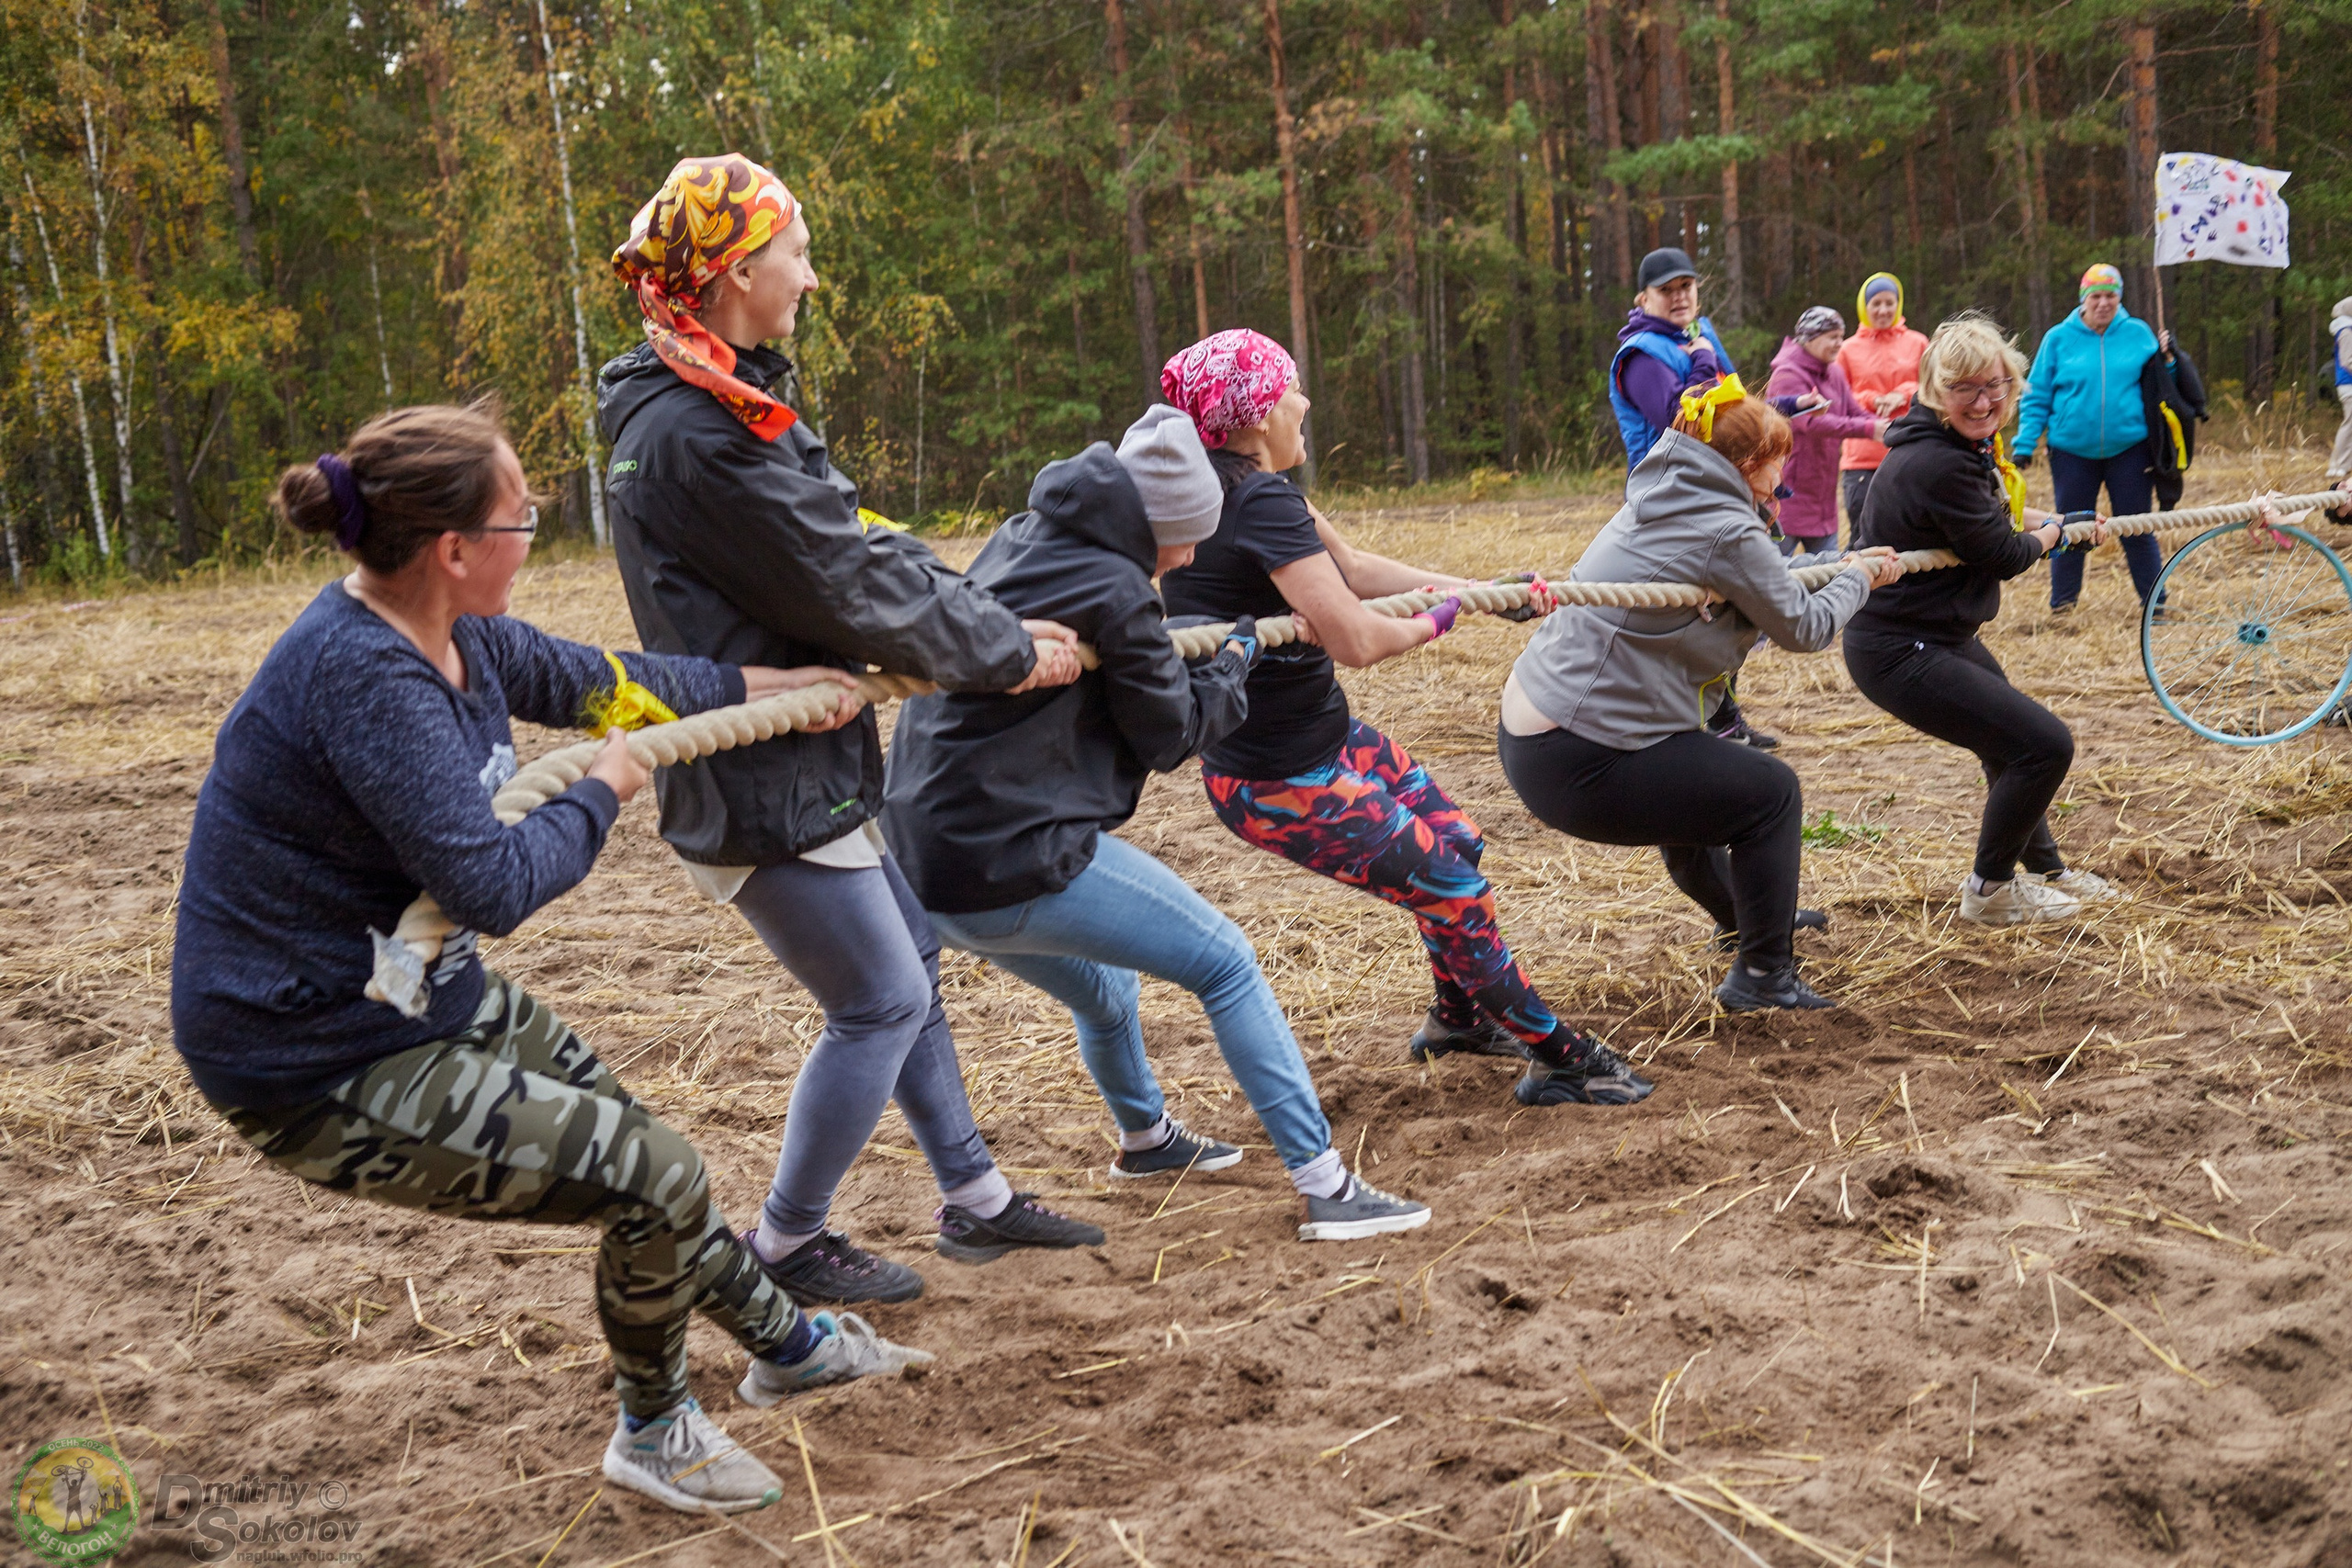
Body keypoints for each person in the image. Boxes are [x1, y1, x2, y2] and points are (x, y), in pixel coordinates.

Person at [171, 404, 933, 1517]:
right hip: (312, 1055)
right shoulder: (367, 680)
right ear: (455, 549)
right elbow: (494, 883)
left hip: (414, 994)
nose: (534, 526)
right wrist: (604, 790)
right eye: (521, 513)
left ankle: (791, 1349)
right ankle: (655, 1430)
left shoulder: (461, 638)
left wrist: (800, 689)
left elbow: (612, 680)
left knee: (648, 1164)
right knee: (653, 1176)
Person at [599, 154, 1102, 1307]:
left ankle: (973, 1197)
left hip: (801, 756)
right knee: (879, 998)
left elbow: (853, 541)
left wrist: (981, 613)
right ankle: (783, 1243)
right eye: (796, 252)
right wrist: (1004, 653)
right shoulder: (696, 430)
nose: (811, 278)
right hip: (754, 773)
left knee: (911, 964)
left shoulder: (715, 395)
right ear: (732, 274)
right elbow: (840, 583)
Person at [888, 408, 1432, 1240]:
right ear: (1156, 525)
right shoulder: (1116, 587)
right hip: (1005, 851)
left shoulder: (1022, 538)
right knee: (1226, 961)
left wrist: (1175, 642)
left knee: (1107, 991)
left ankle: (1146, 1140)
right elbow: (1174, 734)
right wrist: (1238, 665)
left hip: (925, 857)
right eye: (1183, 542)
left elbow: (1125, 652)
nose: (1184, 560)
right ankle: (1327, 1185)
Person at [1158, 328, 1650, 1110]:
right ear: (1255, 415)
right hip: (1277, 778)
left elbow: (1354, 572)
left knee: (1456, 841)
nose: (1305, 400)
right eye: (1289, 386)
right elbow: (1356, 637)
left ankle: (1455, 1019)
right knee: (1455, 892)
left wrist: (1481, 588)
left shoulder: (1245, 486)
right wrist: (1445, 617)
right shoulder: (1252, 499)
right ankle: (1562, 1057)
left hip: (1325, 739)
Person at [1499, 380, 1900, 1011]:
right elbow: (1805, 627)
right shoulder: (1726, 527)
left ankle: (1747, 920)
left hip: (1537, 734)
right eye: (1777, 463)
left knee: (1697, 785)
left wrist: (1839, 565)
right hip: (1580, 752)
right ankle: (1764, 975)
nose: (1781, 477)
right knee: (1772, 794)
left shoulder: (1665, 492)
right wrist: (1857, 579)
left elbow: (1757, 583)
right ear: (1746, 464)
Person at [1842, 313, 2125, 926]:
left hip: (1935, 634)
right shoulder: (1939, 462)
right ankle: (1989, 891)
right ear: (1935, 391)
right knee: (2045, 745)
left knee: (2011, 745)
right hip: (1899, 648)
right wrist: (2053, 536)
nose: (1985, 400)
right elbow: (2000, 554)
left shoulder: (1956, 450)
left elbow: (1991, 519)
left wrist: (2057, 526)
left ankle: (2046, 871)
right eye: (1966, 387)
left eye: (1997, 384)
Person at [1610, 247, 1776, 748]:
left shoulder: (1698, 336)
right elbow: (1679, 419)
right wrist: (1703, 364)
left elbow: (1735, 404)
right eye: (1667, 289)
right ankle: (1676, 721)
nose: (1680, 296)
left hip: (1720, 488)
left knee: (1726, 607)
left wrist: (1781, 412)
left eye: (1686, 286)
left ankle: (1725, 719)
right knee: (1688, 613)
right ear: (1645, 298)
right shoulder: (1641, 353)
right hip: (1670, 496)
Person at [2011, 264, 2177, 614]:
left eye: (2110, 296)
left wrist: (2171, 358)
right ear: (2083, 300)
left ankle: (2156, 604)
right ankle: (2064, 605)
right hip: (2071, 450)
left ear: (2120, 298)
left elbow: (2162, 381)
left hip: (2130, 449)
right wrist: (2025, 443)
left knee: (2136, 525)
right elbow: (2037, 393)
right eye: (2095, 296)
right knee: (2071, 527)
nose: (2103, 303)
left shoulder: (2138, 333)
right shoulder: (2058, 338)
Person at [1764, 306, 1887, 556]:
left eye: (1841, 337)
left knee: (1828, 579)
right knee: (1773, 578)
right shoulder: (1787, 375)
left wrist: (1887, 427)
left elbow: (1853, 411)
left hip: (1823, 498)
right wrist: (1868, 429)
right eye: (1832, 337)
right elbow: (1811, 424)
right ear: (1810, 337)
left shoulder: (1834, 371)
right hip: (1788, 498)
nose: (1839, 344)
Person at [1836, 273, 1929, 535]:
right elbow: (1837, 397)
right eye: (1876, 303)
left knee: (1910, 534)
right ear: (1864, 306)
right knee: (1864, 534)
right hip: (1862, 458)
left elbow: (1934, 388)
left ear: (1899, 305)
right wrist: (1872, 399)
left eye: (1890, 303)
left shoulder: (1918, 342)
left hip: (1910, 451)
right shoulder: (1847, 349)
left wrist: (1904, 393)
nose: (1883, 310)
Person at [2328, 297, 2352, 481]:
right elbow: (2348, 361)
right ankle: (2338, 466)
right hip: (2348, 384)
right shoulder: (2346, 331)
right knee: (2349, 424)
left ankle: (2343, 464)